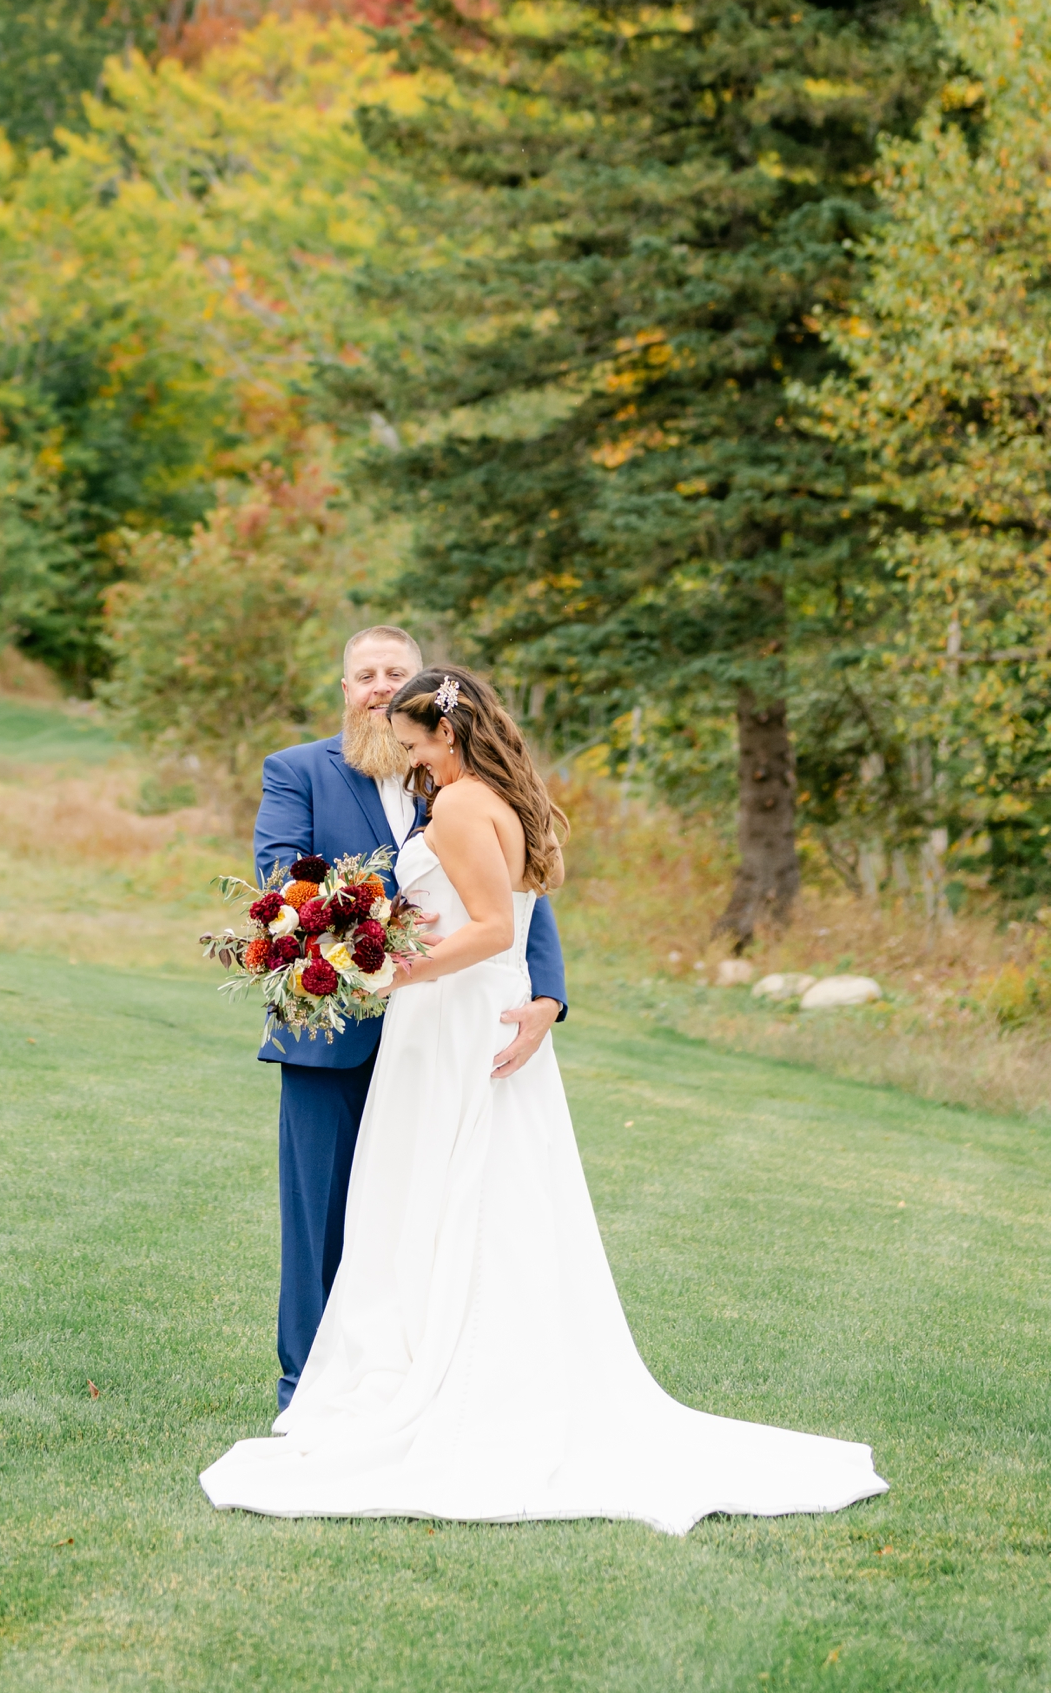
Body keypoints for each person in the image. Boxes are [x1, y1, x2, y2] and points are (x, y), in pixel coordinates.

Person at [202, 666, 889, 1532]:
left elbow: (490, 927)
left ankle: (446, 1375)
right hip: (479, 1013)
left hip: (453, 1019)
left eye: (415, 741)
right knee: (487, 1194)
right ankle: (467, 1360)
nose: (409, 756)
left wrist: (394, 968)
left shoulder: (456, 805)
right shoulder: (497, 796)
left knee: (447, 1192)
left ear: (446, 732)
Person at [253, 627, 567, 1412]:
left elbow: (517, 898)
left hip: (450, 1032)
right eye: (366, 674)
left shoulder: (453, 776)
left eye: (397, 673)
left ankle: (425, 1375)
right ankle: (308, 1388)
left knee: (433, 1208)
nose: (381, 687)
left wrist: (546, 996)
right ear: (344, 685)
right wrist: (371, 935)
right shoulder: (298, 771)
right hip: (335, 1033)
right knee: (321, 1219)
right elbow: (281, 879)